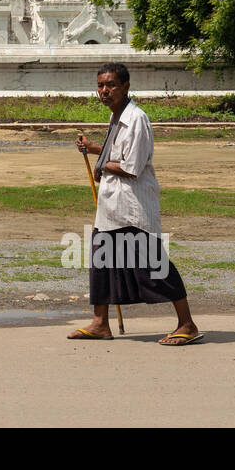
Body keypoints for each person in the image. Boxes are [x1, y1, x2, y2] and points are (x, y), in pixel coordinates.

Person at [68, 62, 202, 345]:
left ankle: (187, 324)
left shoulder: (137, 118)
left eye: (111, 85)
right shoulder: (117, 117)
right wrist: (94, 149)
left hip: (133, 208)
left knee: (153, 265)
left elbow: (132, 166)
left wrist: (101, 164)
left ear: (126, 87)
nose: (105, 91)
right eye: (101, 86)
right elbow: (115, 152)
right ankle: (100, 323)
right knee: (101, 265)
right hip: (111, 208)